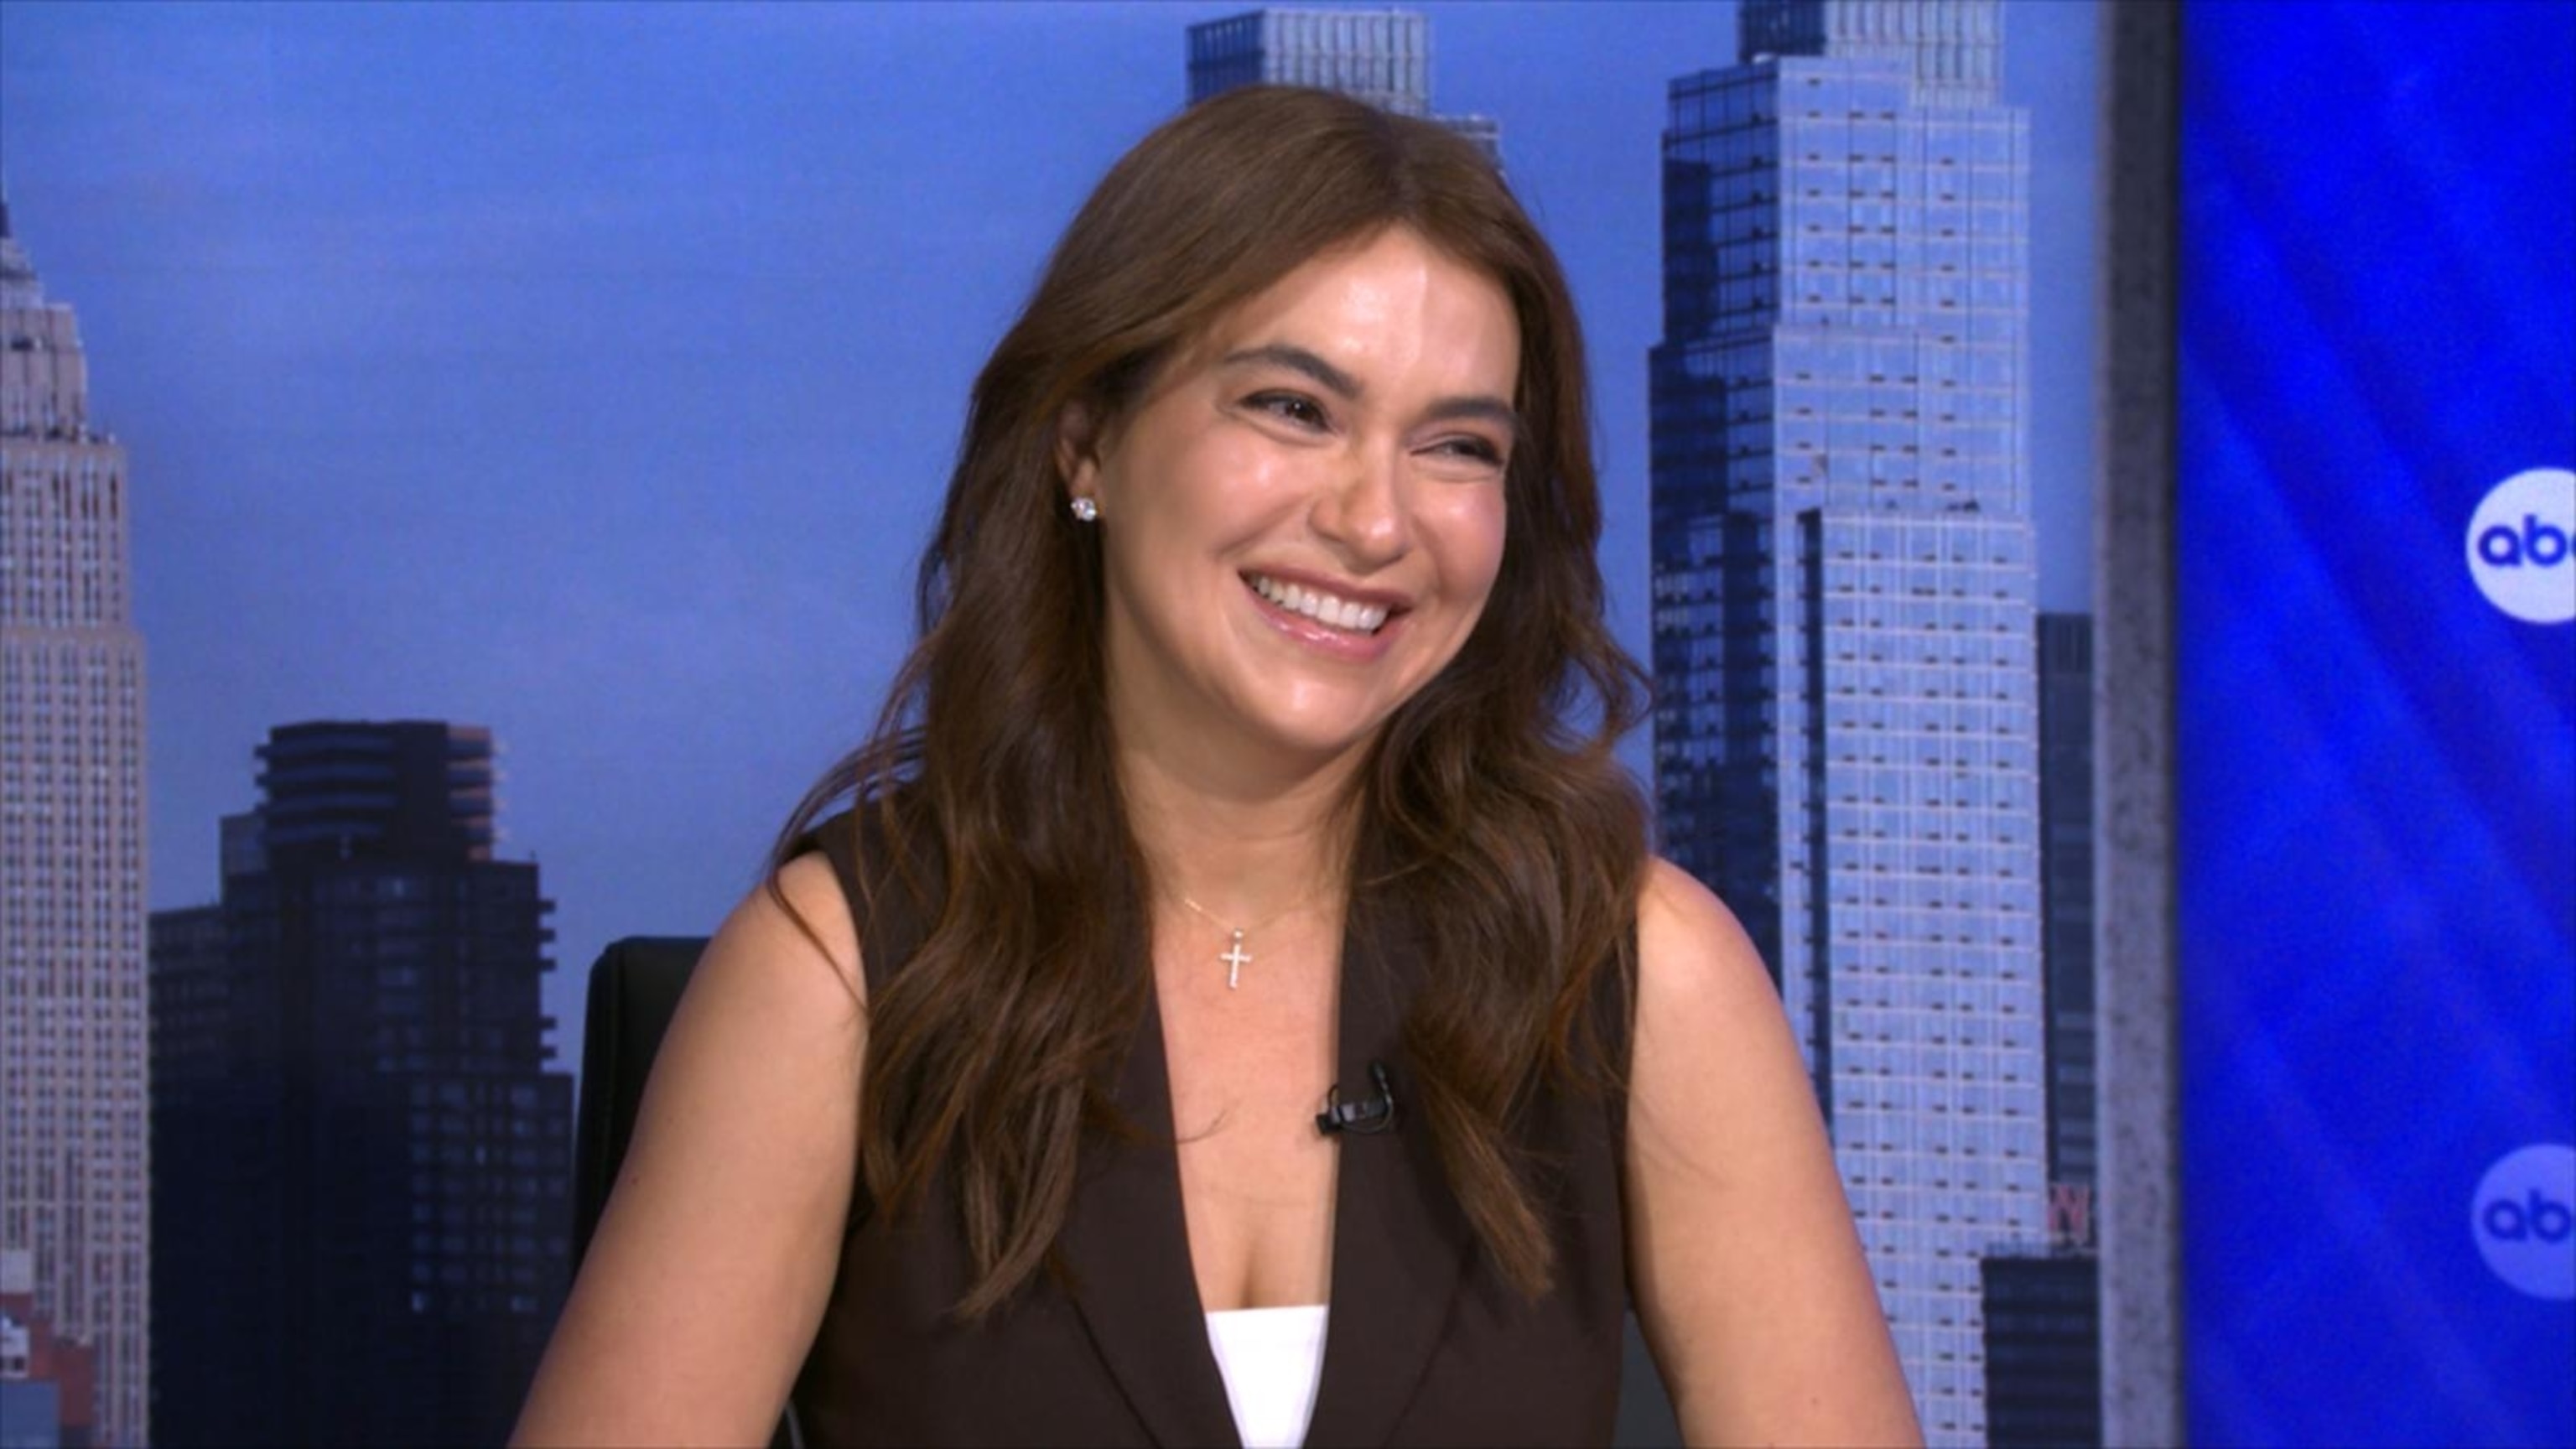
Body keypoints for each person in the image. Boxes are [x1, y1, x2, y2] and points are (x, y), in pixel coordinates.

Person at [514, 85, 1919, 1448]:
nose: (1375, 522)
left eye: (1457, 446)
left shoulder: (1646, 973)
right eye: (1293, 409)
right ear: (1088, 442)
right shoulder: (837, 973)